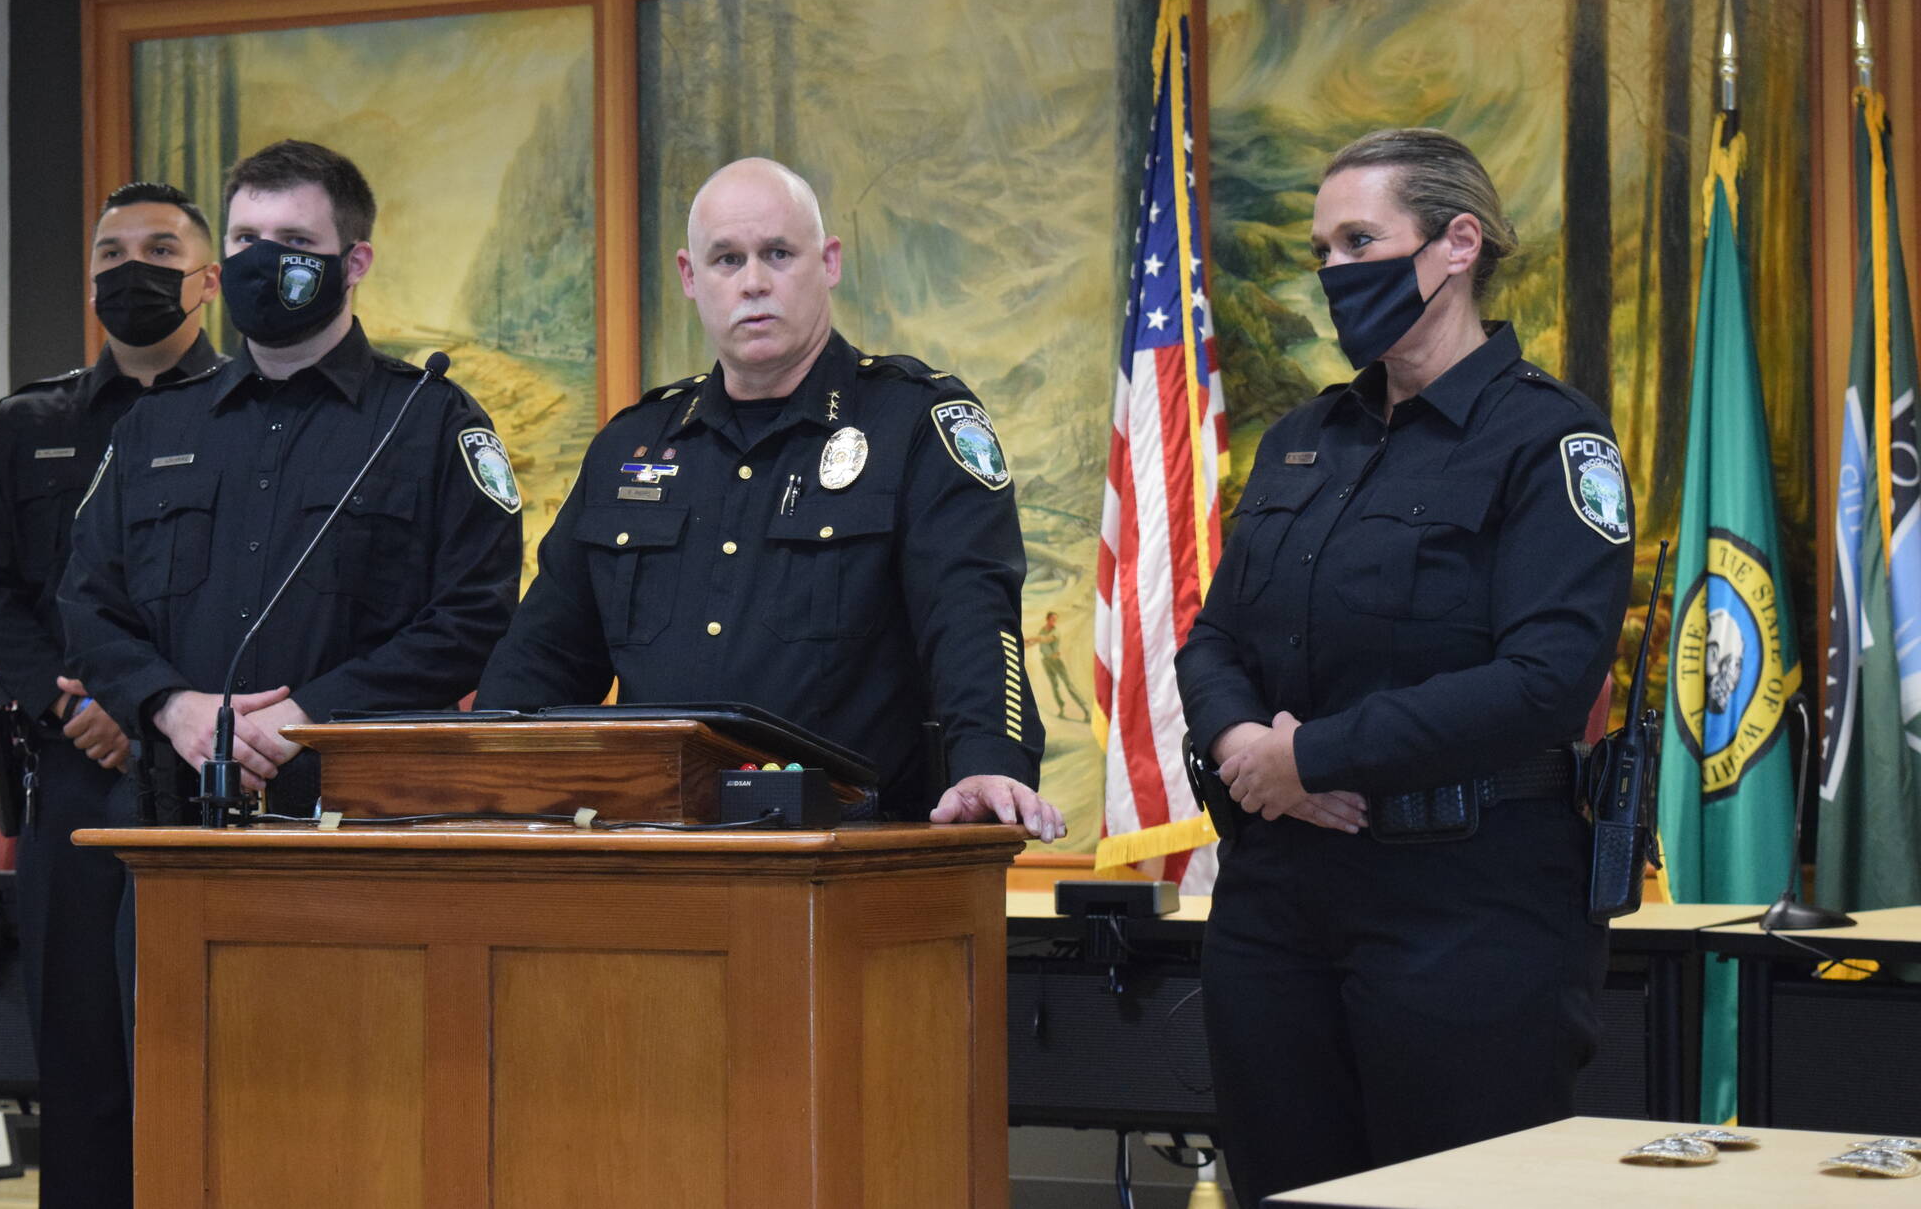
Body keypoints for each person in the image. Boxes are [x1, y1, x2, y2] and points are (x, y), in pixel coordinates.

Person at [1176, 129, 1635, 1206]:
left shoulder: (1547, 441)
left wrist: (1320, 756)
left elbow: (1543, 680)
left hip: (1463, 909)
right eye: (1319, 250)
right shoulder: (1302, 440)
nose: (1333, 271)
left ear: (1455, 244)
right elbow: (1212, 640)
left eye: (1357, 241)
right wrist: (1248, 749)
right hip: (1277, 908)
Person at [476, 157, 1063, 839]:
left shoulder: (913, 426)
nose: (753, 282)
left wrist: (989, 759)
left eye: (777, 254)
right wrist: (482, 775)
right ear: (690, 278)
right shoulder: (630, 447)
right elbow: (543, 656)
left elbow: (971, 614)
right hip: (656, 854)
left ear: (830, 262)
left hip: (849, 853)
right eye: (726, 259)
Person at [59, 140, 522, 821]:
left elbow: (475, 614)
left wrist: (309, 716)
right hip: (174, 819)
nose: (263, 259)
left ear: (354, 261)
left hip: (362, 820)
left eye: (295, 239)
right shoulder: (154, 428)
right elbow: (86, 604)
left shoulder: (429, 421)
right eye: (246, 238)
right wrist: (171, 705)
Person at [0, 181, 225, 1209]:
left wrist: (153, 701)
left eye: (158, 249)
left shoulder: (255, 420)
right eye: (110, 254)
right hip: (75, 770)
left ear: (208, 278)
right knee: (81, 1057)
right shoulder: (32, 424)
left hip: (211, 772)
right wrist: (66, 702)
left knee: (221, 1048)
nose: (129, 269)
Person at [1026, 611, 1090, 721]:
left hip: (1056, 661)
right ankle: (1061, 709)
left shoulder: (1056, 632)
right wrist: (1024, 644)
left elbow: (1046, 639)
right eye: (1052, 619)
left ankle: (1086, 710)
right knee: (1054, 686)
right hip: (1046, 661)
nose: (1054, 622)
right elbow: (1038, 641)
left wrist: (1030, 639)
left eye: (1055, 620)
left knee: (1068, 685)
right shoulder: (1043, 630)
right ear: (1048, 619)